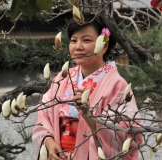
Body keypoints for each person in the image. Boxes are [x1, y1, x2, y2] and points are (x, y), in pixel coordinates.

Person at [32, 12, 142, 160]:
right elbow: (43, 115)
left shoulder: (117, 85)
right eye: (73, 40)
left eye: (86, 40)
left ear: (104, 45)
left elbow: (128, 134)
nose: (78, 47)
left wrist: (89, 115)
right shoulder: (62, 77)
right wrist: (48, 141)